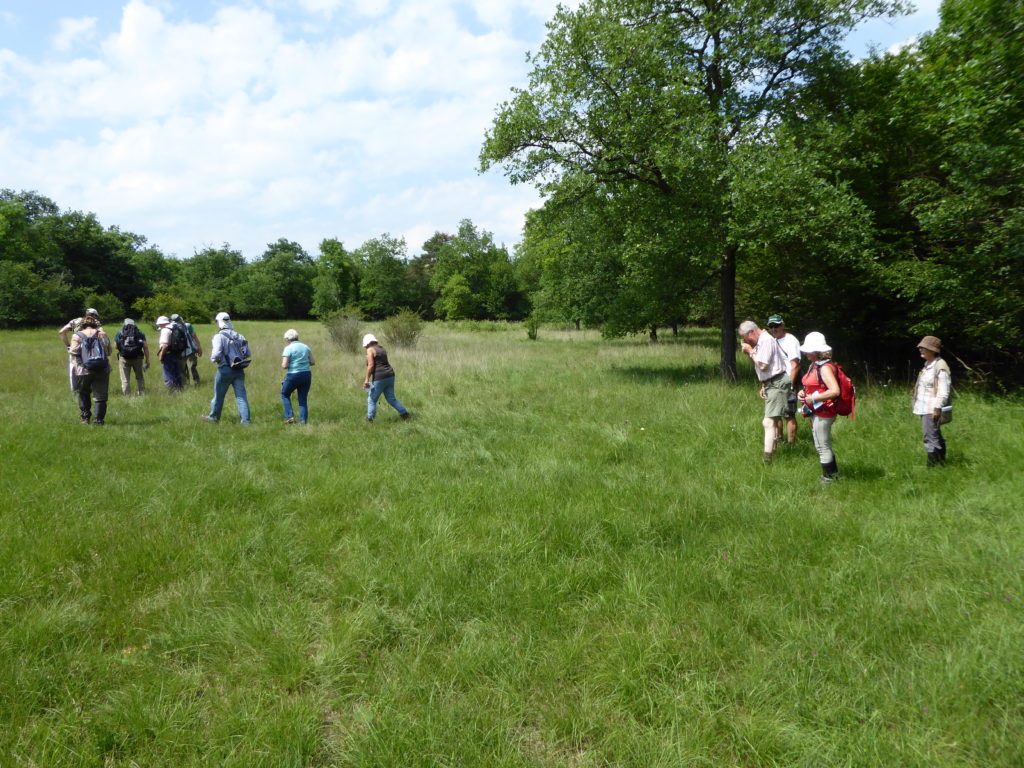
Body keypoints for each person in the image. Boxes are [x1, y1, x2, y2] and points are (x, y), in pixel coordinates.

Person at [738, 320, 788, 463]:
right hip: (771, 383)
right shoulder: (762, 342)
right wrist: (764, 384)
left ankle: (767, 459)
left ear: (751, 332)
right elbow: (767, 368)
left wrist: (750, 351)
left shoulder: (765, 341)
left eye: (746, 338)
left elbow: (763, 365)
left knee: (768, 422)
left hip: (777, 383)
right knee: (772, 420)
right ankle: (771, 451)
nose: (746, 341)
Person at [796, 332, 842, 484]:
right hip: (817, 411)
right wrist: (803, 393)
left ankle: (828, 479)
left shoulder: (825, 368)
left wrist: (813, 398)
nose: (805, 353)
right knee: (820, 444)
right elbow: (813, 385)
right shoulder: (814, 365)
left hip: (825, 412)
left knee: (823, 446)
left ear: (816, 351)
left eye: (808, 350)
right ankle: (833, 474)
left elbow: (835, 391)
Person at [203, 311, 251, 424]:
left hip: (225, 369)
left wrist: (214, 360)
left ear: (219, 322)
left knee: (219, 395)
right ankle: (246, 421)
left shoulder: (219, 336)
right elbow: (248, 353)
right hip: (239, 369)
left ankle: (213, 418)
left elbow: (216, 353)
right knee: (241, 396)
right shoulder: (239, 335)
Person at [912, 335, 951, 466]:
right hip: (924, 407)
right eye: (921, 347)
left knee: (930, 438)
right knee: (935, 435)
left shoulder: (940, 366)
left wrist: (937, 408)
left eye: (924, 348)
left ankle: (933, 467)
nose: (921, 350)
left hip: (931, 408)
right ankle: (941, 463)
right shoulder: (928, 365)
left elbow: (943, 391)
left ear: (933, 350)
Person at [68, 316, 111, 425]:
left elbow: (73, 352)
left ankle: (85, 418)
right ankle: (98, 420)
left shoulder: (77, 335)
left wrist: (81, 365)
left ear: (82, 325)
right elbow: (109, 351)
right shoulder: (101, 334)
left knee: (84, 393)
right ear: (95, 325)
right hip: (102, 368)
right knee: (100, 396)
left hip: (84, 370)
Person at [767, 314, 801, 445]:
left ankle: (791, 444)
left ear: (783, 325)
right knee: (776, 413)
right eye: (771, 326)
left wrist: (791, 386)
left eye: (776, 325)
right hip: (775, 381)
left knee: (789, 414)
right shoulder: (773, 341)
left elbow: (795, 365)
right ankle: (780, 440)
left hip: (788, 381)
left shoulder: (791, 340)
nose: (774, 329)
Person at [362, 333, 410, 422]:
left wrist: (366, 380)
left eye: (365, 345)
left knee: (372, 400)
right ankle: (405, 414)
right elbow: (379, 362)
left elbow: (371, 365)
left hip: (380, 377)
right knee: (391, 399)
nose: (365, 348)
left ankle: (370, 420)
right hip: (390, 375)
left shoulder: (370, 350)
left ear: (368, 343)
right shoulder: (382, 348)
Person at [59, 308, 101, 393]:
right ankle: (90, 389)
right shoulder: (95, 323)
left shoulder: (75, 321)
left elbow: (62, 332)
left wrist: (68, 346)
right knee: (91, 369)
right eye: (95, 316)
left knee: (73, 369)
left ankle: (74, 391)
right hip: (90, 351)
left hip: (75, 349)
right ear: (93, 315)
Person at [280, 328, 315, 424]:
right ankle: (303, 422)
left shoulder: (288, 348)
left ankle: (290, 416)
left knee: (284, 394)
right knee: (302, 399)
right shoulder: (306, 347)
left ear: (288, 339)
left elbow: (284, 365)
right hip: (306, 375)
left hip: (293, 375)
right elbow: (312, 362)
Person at [113, 318, 150, 395]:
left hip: (124, 358)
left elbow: (116, 346)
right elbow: (145, 347)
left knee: (125, 379)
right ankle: (141, 393)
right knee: (139, 377)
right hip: (138, 357)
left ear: (124, 324)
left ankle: (127, 395)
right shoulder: (140, 333)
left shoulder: (120, 333)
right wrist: (147, 360)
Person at [171, 313, 203, 387]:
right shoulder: (187, 325)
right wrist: (199, 348)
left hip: (179, 352)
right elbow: (194, 337)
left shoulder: (171, 327)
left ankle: (185, 384)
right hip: (190, 350)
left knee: (182, 370)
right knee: (192, 367)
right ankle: (196, 383)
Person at [155, 316, 183, 390]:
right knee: (176, 373)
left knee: (168, 374)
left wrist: (161, 355)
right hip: (176, 353)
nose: (159, 326)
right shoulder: (174, 328)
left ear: (162, 323)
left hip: (168, 354)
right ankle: (179, 389)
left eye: (159, 324)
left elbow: (165, 345)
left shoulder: (165, 330)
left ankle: (171, 391)